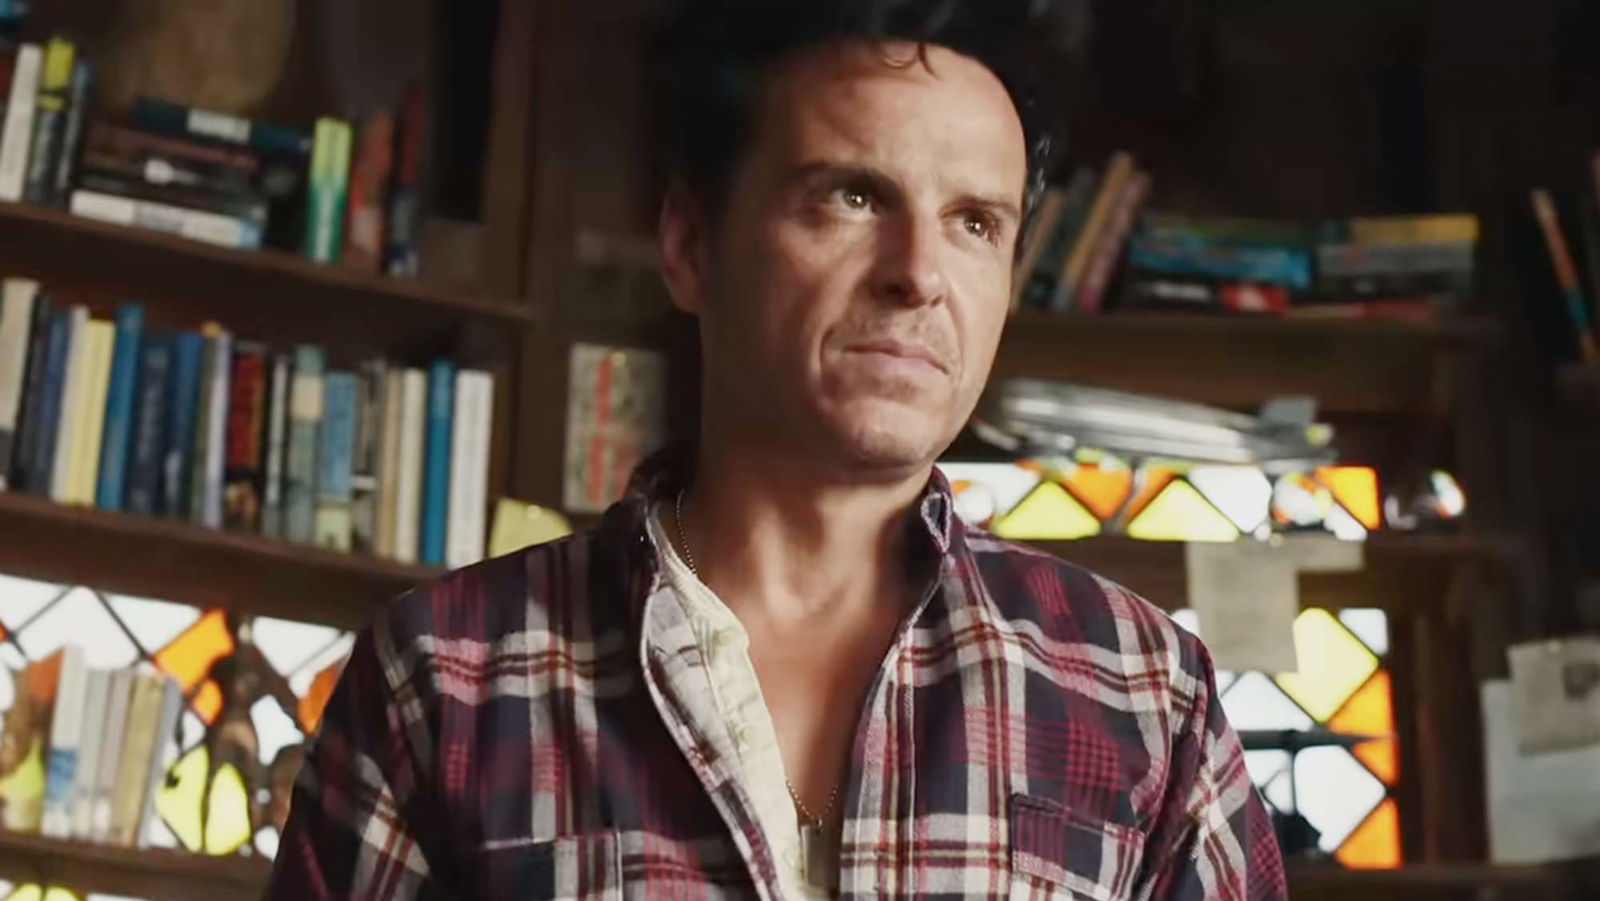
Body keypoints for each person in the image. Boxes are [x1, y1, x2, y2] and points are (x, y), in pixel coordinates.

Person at [268, 1, 1286, 897]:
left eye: (975, 222)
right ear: (690, 244)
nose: (919, 273)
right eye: (853, 197)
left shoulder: (1147, 697)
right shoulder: (444, 678)